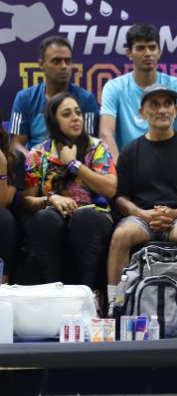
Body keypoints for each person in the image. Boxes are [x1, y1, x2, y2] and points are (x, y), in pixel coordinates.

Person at [106, 85, 177, 312]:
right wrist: (143, 214)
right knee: (120, 235)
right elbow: (121, 198)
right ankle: (116, 303)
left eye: (167, 104)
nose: (162, 110)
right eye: (154, 104)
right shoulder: (130, 151)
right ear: (142, 113)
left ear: (176, 110)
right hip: (142, 219)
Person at [21, 93, 116, 294]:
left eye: (78, 113)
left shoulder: (96, 147)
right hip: (55, 215)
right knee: (44, 218)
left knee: (84, 217)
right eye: (67, 114)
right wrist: (50, 198)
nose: (75, 118)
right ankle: (53, 291)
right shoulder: (38, 154)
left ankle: (89, 293)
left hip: (95, 216)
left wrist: (74, 164)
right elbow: (27, 200)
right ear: (54, 120)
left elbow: (110, 188)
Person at [99, 23, 177, 160]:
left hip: (171, 164)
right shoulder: (113, 88)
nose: (147, 54)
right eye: (140, 48)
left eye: (152, 47)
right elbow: (105, 134)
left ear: (159, 52)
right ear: (129, 53)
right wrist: (119, 169)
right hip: (129, 166)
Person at [10, 36, 99, 155]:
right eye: (56, 61)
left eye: (68, 61)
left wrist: (67, 162)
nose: (64, 66)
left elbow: (87, 143)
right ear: (41, 64)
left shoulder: (86, 99)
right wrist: (35, 162)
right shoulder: (25, 98)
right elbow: (16, 144)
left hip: (73, 160)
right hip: (34, 162)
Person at [0, 111, 25, 283]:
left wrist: (2, 167)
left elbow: (3, 201)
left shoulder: (14, 158)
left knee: (4, 217)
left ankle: (3, 282)